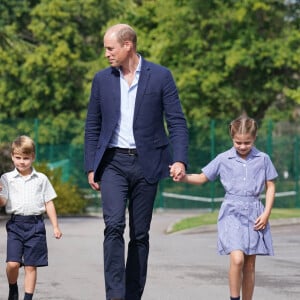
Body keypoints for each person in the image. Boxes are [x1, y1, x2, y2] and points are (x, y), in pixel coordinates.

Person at [84, 23, 188, 300]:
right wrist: (91, 165)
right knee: (114, 226)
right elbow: (92, 125)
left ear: (127, 45)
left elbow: (176, 121)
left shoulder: (161, 76)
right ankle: (115, 296)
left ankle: (132, 295)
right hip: (113, 163)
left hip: (148, 163)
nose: (106, 54)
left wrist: (179, 160)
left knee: (140, 234)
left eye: (110, 48)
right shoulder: (102, 79)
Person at [170, 115, 278, 300]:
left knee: (250, 265)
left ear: (255, 138)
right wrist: (184, 177)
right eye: (238, 142)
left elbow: (270, 186)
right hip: (232, 213)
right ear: (232, 138)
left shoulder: (263, 159)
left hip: (255, 214)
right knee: (237, 259)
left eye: (247, 142)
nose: (242, 147)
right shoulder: (223, 158)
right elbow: (203, 178)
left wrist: (266, 213)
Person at [0, 135, 62, 300]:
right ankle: (13, 288)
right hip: (16, 225)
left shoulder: (41, 179)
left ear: (33, 157)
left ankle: (28, 297)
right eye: (18, 157)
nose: (22, 162)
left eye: (26, 158)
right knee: (12, 264)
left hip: (35, 226)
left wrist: (55, 226)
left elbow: (48, 202)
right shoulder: (6, 179)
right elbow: (2, 202)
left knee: (30, 266)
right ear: (12, 156)